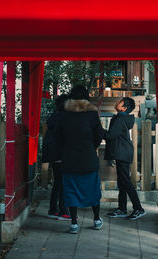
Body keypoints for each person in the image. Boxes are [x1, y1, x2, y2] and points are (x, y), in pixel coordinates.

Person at [55, 85, 105, 234]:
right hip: (88, 159)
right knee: (93, 190)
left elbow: (58, 137)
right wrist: (91, 147)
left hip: (69, 159)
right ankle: (96, 220)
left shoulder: (64, 115)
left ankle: (74, 223)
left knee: (71, 191)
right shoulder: (91, 115)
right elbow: (99, 135)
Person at [104, 97, 146, 220]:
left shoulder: (120, 118)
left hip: (122, 152)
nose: (116, 103)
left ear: (124, 108)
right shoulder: (121, 117)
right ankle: (122, 208)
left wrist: (98, 130)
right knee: (122, 181)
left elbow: (110, 135)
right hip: (122, 152)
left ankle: (139, 208)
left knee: (125, 182)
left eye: (119, 102)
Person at [41, 94, 71, 221]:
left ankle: (53, 210)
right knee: (63, 183)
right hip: (61, 153)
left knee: (58, 182)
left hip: (53, 153)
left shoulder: (54, 117)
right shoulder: (65, 118)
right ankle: (63, 211)